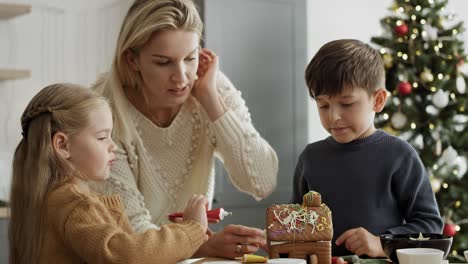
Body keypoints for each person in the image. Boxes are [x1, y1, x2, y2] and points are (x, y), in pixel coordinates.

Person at [91, 0, 278, 258]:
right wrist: (201, 244)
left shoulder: (210, 86)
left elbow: (262, 181)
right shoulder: (103, 111)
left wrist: (211, 100)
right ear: (132, 59)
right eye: (163, 62)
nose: (181, 77)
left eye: (189, 58)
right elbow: (129, 232)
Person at [9, 83, 210, 264]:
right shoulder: (75, 204)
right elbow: (127, 256)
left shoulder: (51, 199)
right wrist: (190, 229)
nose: (112, 145)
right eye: (102, 137)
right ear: (63, 145)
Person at [291, 39, 443, 258]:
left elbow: (430, 225)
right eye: (323, 105)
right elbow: (295, 223)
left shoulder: (399, 155)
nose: (333, 116)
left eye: (347, 103)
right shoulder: (310, 158)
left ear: (378, 100)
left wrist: (382, 243)